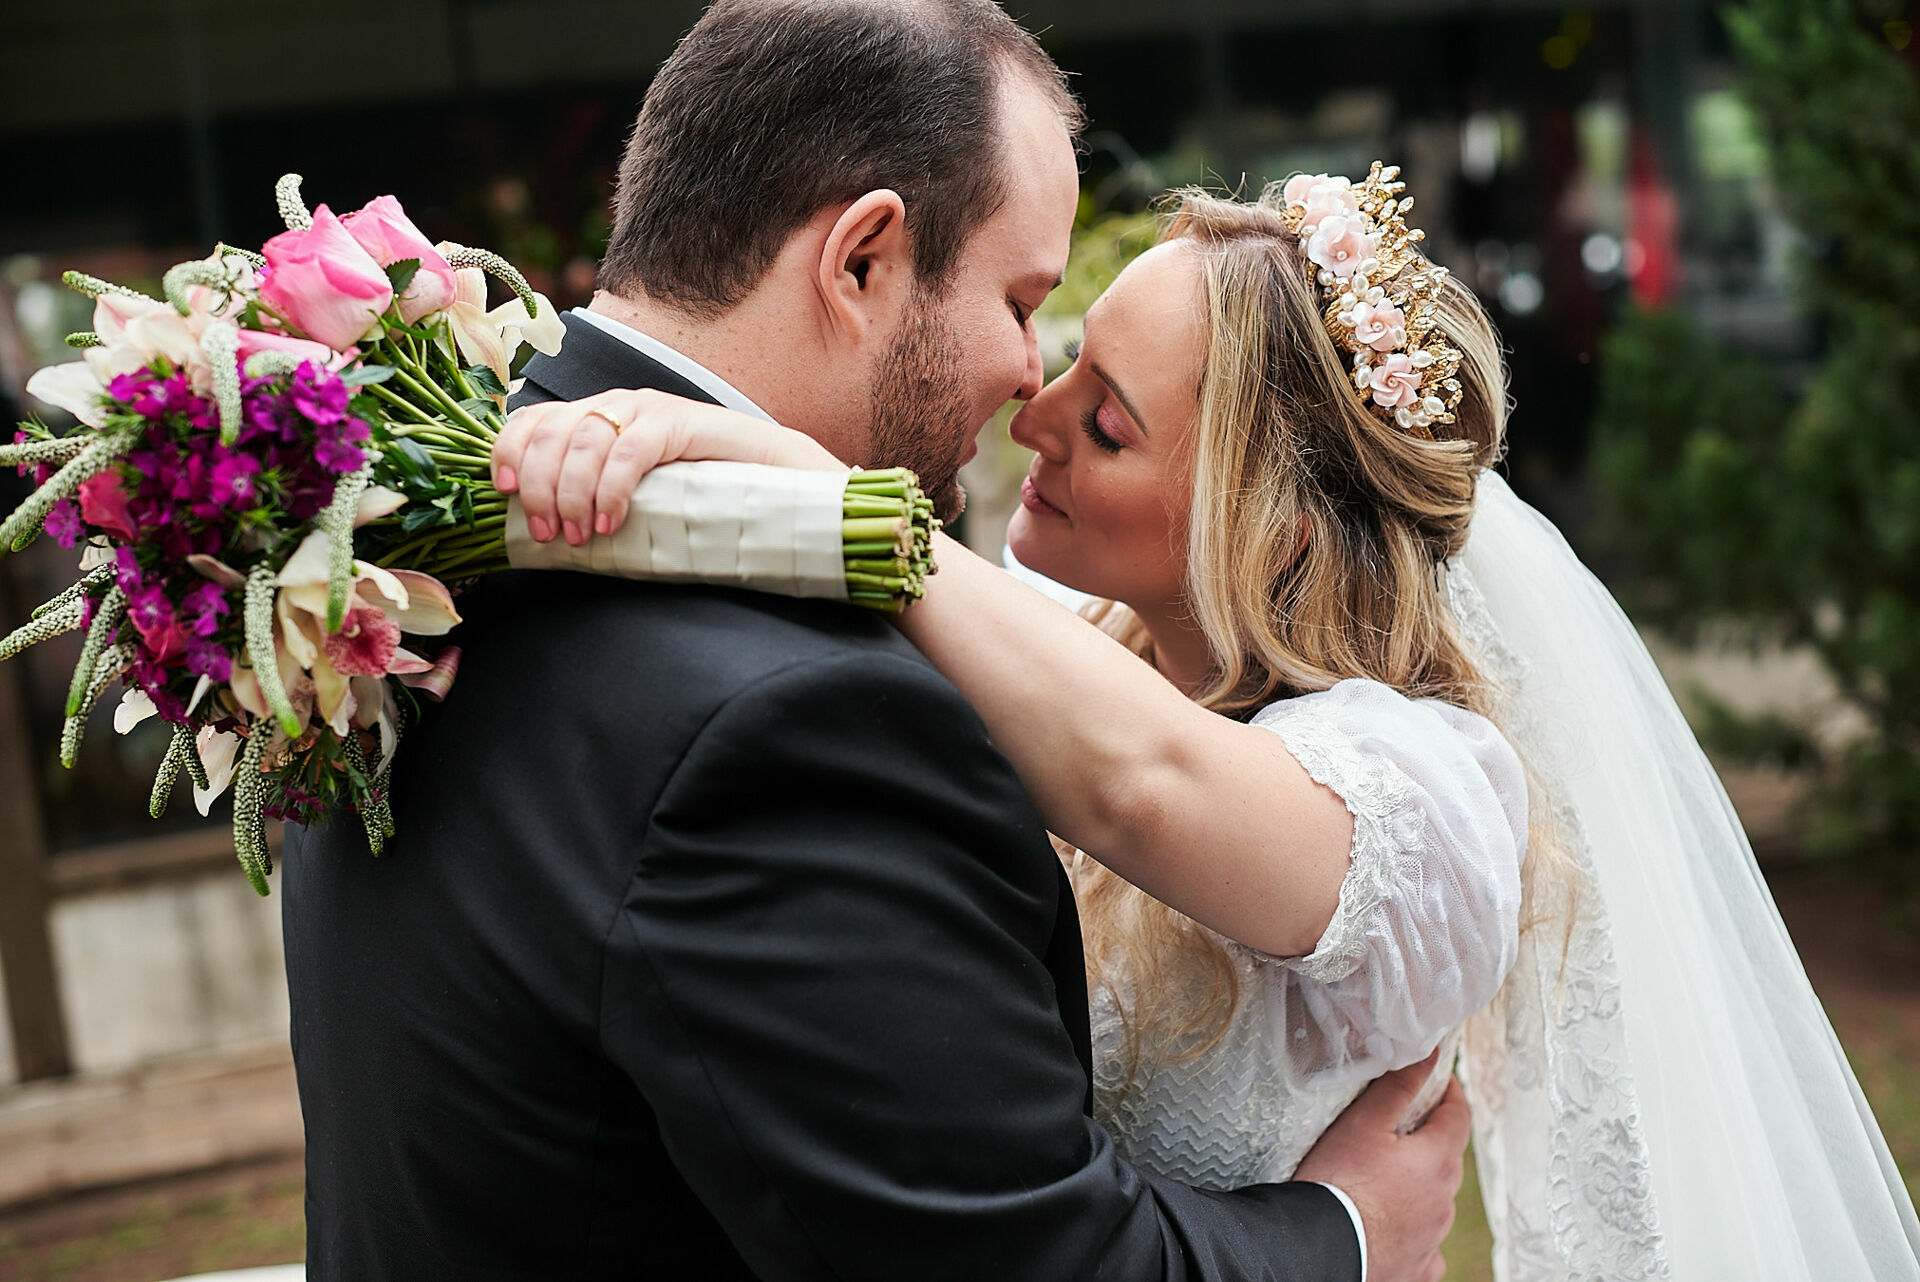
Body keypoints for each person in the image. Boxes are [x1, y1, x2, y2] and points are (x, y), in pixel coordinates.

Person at [500, 169, 1920, 1278]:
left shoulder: (1428, 799)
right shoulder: (1055, 641)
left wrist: (806, 483)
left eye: (1106, 423)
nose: (1031, 418)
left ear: (1277, 521)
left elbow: (1140, 781)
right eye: (1063, 359)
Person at [282, 4, 1472, 1280]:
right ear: (862, 261)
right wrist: (1344, 1234)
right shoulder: (791, 718)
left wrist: (810, 490)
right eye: (1022, 301)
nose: (1032, 377)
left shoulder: (395, 550)